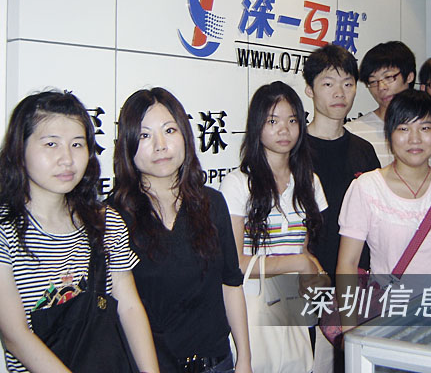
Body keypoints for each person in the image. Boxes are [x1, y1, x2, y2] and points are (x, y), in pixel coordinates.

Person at [0, 90, 159, 373]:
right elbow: (16, 336)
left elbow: (129, 306)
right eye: (51, 144)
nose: (67, 159)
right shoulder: (5, 229)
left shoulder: (105, 221)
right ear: (19, 149)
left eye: (77, 144)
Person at [110, 87, 251, 373]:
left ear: (185, 136)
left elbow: (231, 284)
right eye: (145, 135)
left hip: (217, 364)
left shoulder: (211, 202)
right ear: (127, 143)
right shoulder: (113, 216)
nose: (160, 145)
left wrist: (244, 360)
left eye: (169, 130)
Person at [220, 81, 328, 373]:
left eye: (292, 120)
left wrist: (315, 272)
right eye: (273, 121)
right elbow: (236, 264)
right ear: (257, 126)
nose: (284, 130)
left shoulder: (309, 182)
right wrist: (299, 262)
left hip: (293, 303)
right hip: (250, 305)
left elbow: (302, 248)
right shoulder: (238, 184)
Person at [337, 89, 431, 285]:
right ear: (389, 134)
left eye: (425, 128)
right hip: (388, 304)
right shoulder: (367, 187)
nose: (415, 139)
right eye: (404, 129)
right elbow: (348, 264)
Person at [302, 44, 380, 372]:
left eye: (348, 84)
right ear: (309, 89)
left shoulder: (365, 151)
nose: (340, 93)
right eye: (328, 83)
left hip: (359, 285)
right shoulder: (294, 151)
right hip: (310, 285)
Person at [345, 41, 431, 171]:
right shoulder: (353, 132)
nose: (381, 87)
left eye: (388, 77)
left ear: (409, 77)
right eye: (373, 81)